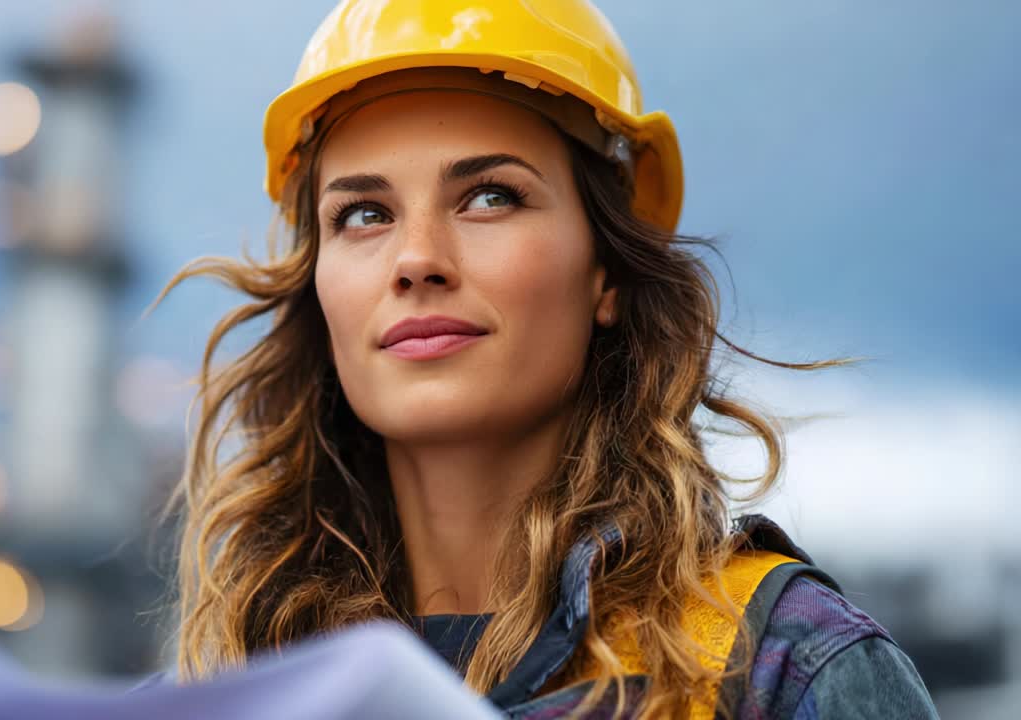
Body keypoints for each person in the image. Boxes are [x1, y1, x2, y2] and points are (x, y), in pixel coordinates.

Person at [151, 1, 939, 717]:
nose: (416, 258)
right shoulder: (226, 689)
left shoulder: (789, 671)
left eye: (490, 196)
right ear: (319, 289)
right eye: (363, 213)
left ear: (606, 271)